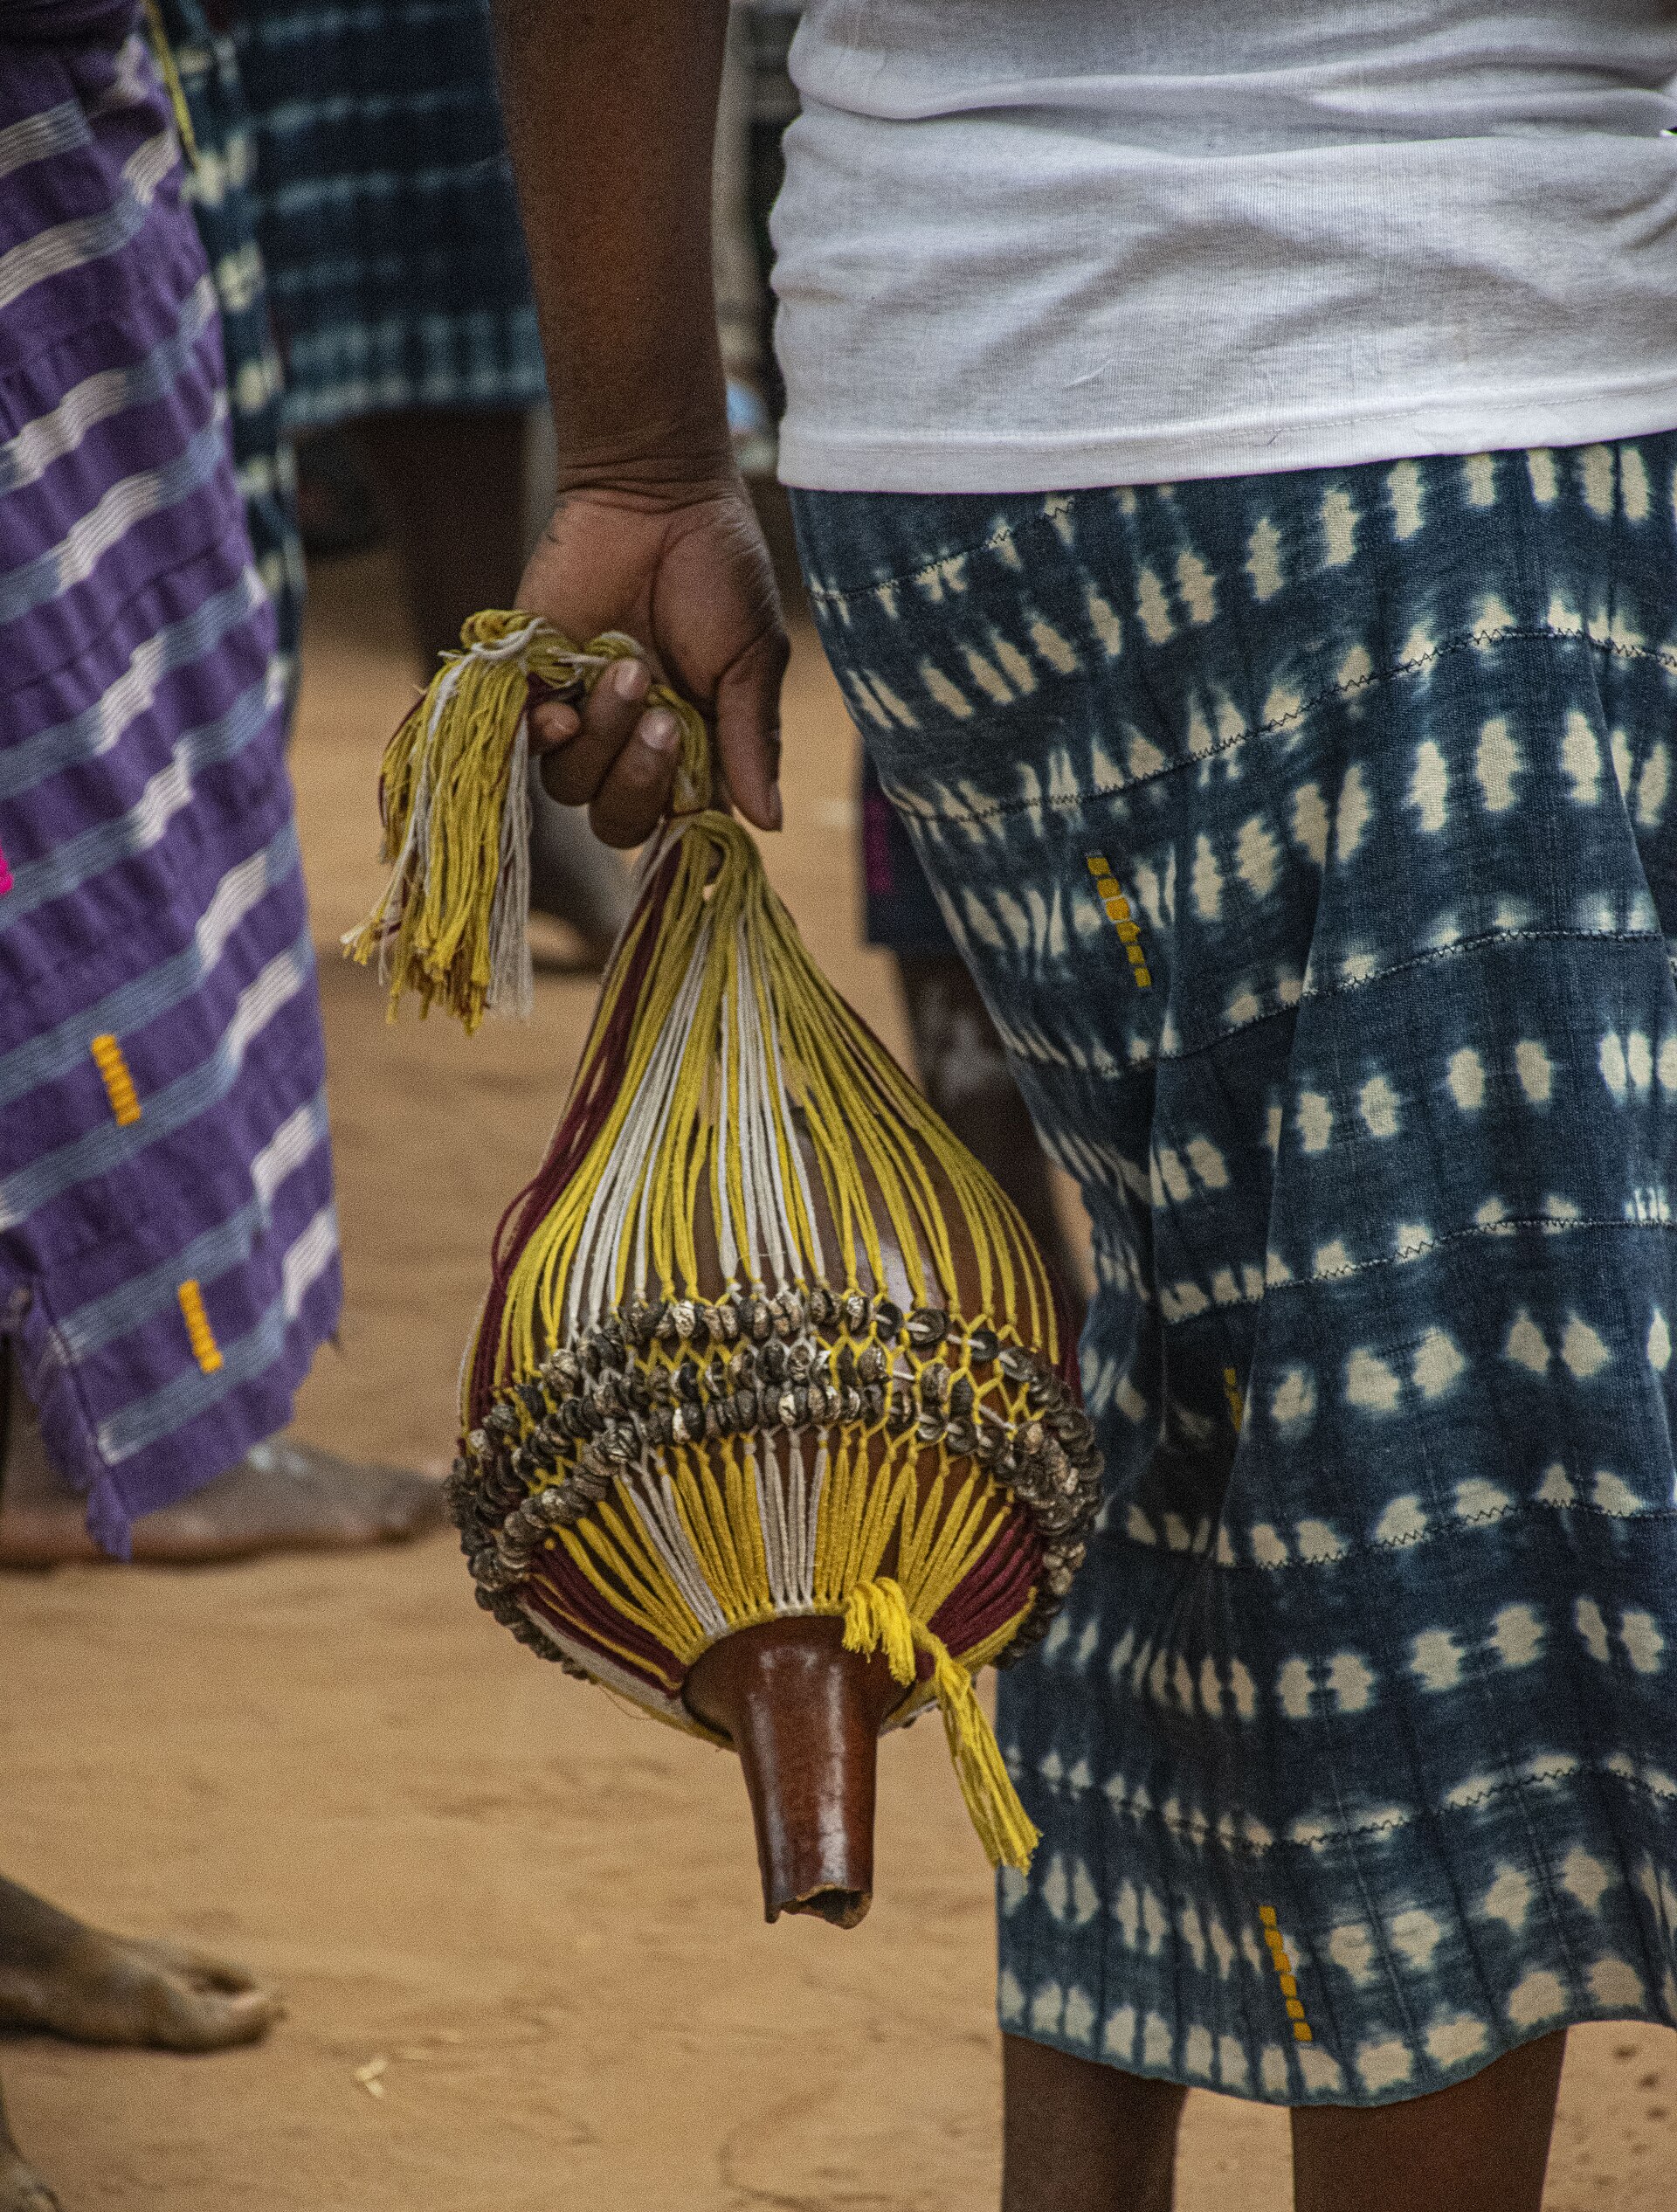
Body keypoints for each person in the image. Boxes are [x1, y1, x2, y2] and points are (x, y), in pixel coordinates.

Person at [484, 4, 1677, 2209]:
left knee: (1202, 1390)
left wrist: (645, 452)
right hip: (1439, 369)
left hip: (963, 433)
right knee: (1440, 1517)